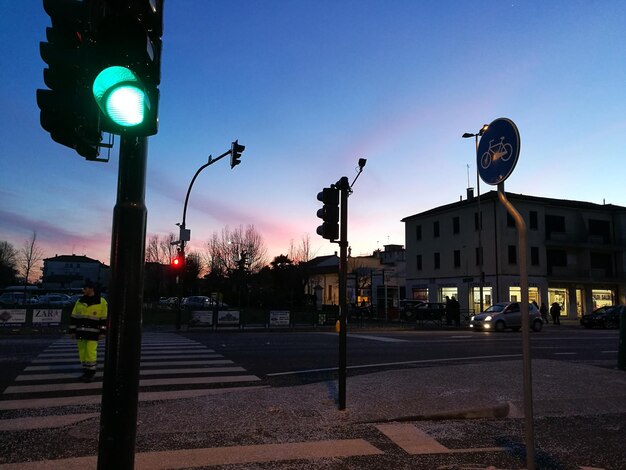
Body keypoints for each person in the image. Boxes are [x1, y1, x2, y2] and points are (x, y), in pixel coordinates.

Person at [69, 280, 108, 382]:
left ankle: (90, 373)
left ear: (91, 289)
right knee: (82, 353)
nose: (83, 290)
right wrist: (72, 331)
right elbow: (74, 318)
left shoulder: (102, 302)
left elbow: (104, 319)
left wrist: (103, 332)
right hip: (81, 332)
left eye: (85, 288)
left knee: (90, 352)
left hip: (93, 332)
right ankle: (86, 372)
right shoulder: (79, 301)